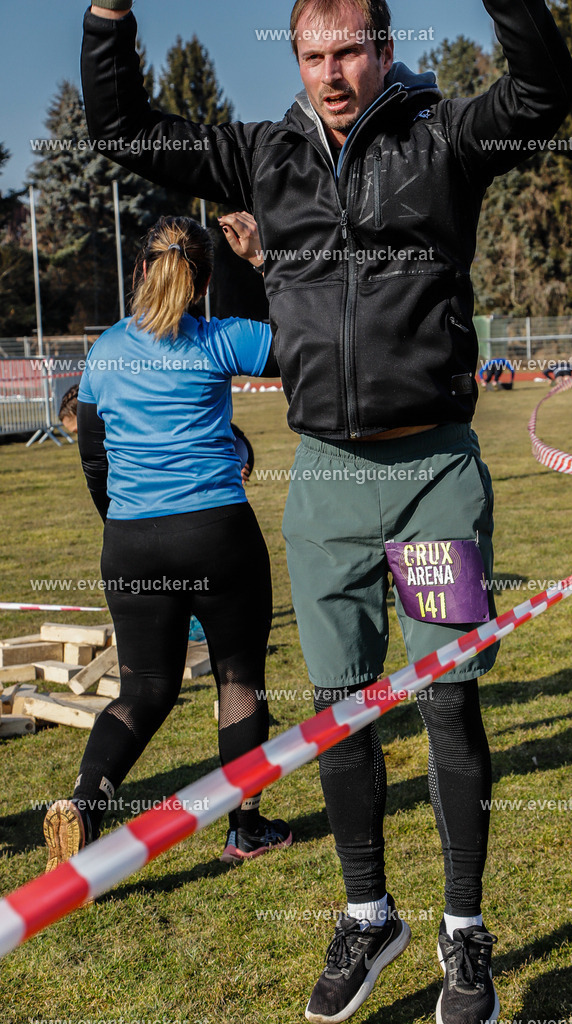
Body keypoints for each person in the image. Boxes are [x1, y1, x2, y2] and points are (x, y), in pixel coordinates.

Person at [81, 3, 572, 1021]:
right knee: (338, 707)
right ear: (296, 60)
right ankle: (367, 911)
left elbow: (542, 94)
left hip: (433, 471)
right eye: (313, 55)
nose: (332, 72)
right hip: (326, 485)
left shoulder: (440, 141)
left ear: (384, 49)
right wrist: (106, 16)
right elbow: (124, 128)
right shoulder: (264, 157)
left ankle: (463, 935)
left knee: (447, 700)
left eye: (349, 50)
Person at [43, 215, 292, 876]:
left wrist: (121, 527)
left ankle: (87, 803)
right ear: (205, 282)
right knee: (239, 678)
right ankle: (245, 828)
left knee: (143, 690)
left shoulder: (104, 353)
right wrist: (266, 262)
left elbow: (93, 462)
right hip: (217, 534)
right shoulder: (221, 338)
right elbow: (305, 340)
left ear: (139, 272)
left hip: (132, 541)